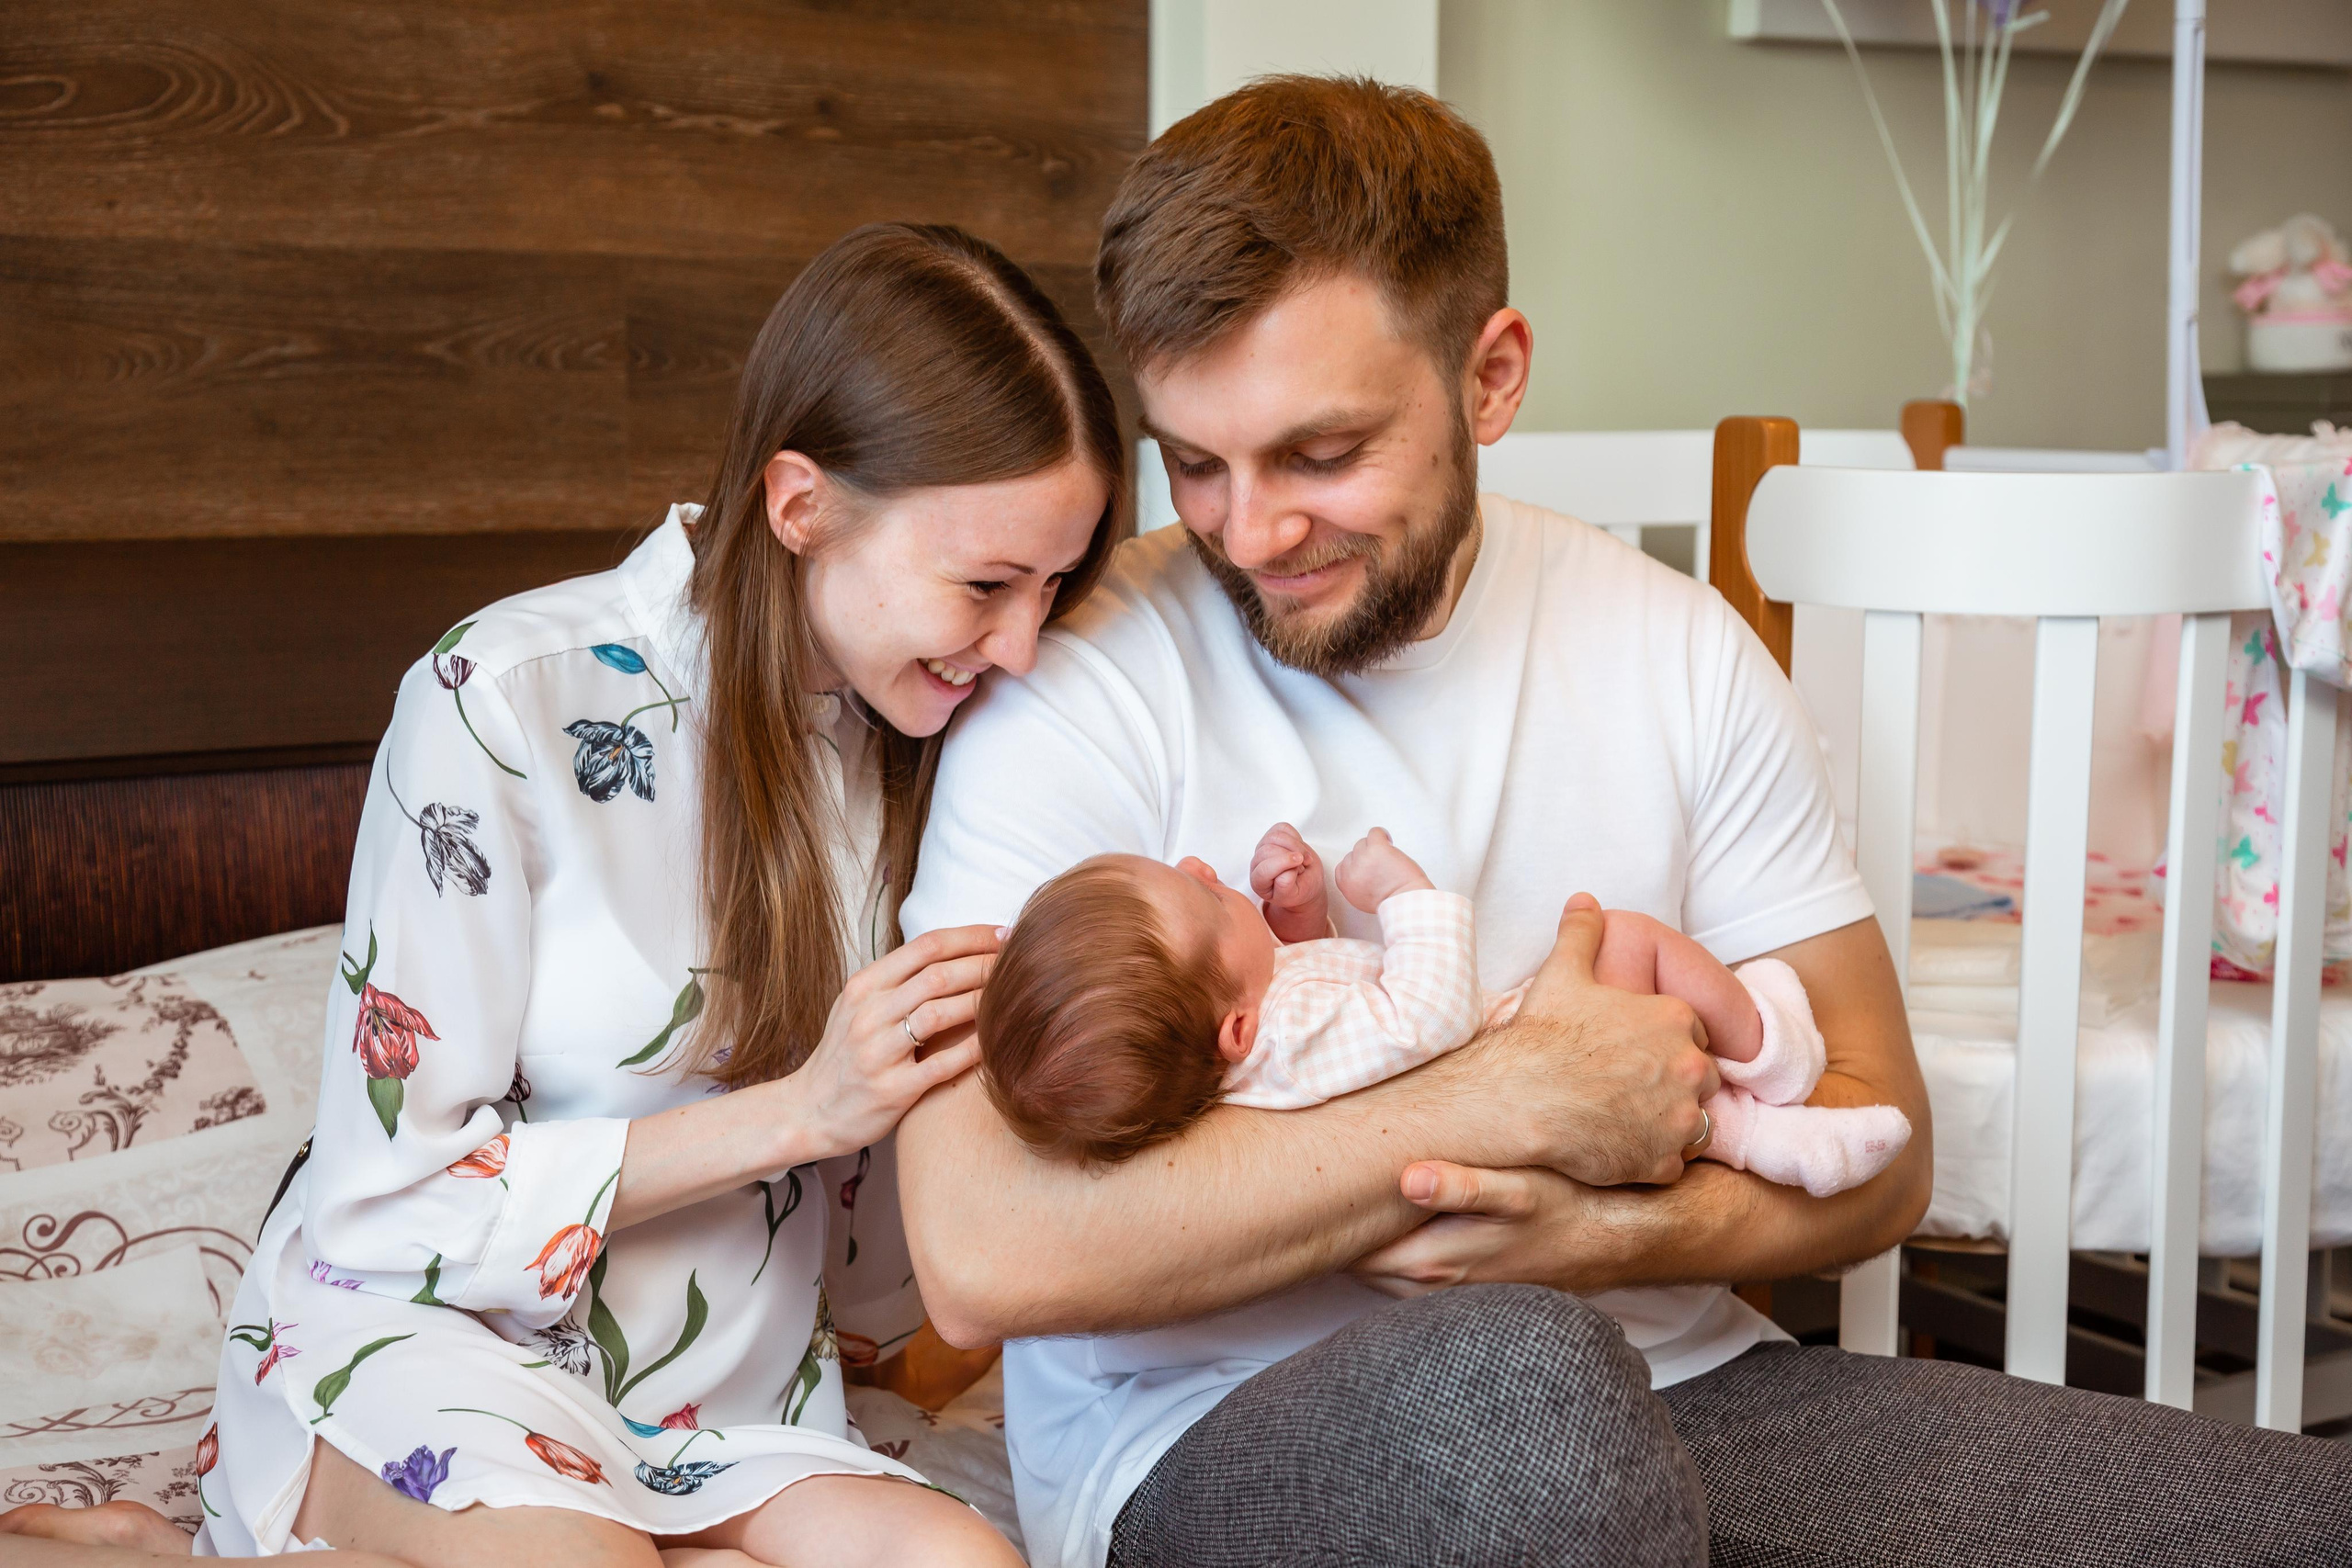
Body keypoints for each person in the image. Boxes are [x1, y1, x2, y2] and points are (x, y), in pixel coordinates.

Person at [895, 76, 2352, 1568]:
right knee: (1525, 1395)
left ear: (1492, 376)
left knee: (2298, 1521)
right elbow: (980, 1248)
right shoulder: (1079, 676)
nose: (1250, 531)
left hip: (1692, 1381)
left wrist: (1612, 1238)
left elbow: (1885, 1137)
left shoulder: (1681, 649)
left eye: (1321, 455)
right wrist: (1502, 1102)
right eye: (1196, 462)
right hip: (1214, 1426)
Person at [0, 221, 1125, 1568]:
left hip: (718, 1393)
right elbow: (389, 1198)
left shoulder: (957, 753)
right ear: (799, 504)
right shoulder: (506, 698)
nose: (1018, 646)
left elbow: (893, 1271)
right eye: (987, 584)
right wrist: (803, 1110)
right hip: (433, 1333)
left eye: (1053, 589)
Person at [978, 826, 1908, 1196]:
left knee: (1689, 1112)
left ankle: (1773, 1146)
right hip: (1516, 1058)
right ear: (1236, 1030)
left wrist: (1291, 917)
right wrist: (1402, 895)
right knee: (1624, 942)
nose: (1201, 870)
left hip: (1510, 1104)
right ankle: (1775, 1056)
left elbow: (1336, 995)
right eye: (1214, 901)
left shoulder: (1260, 1057)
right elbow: (1418, 1016)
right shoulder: (1285, 1041)